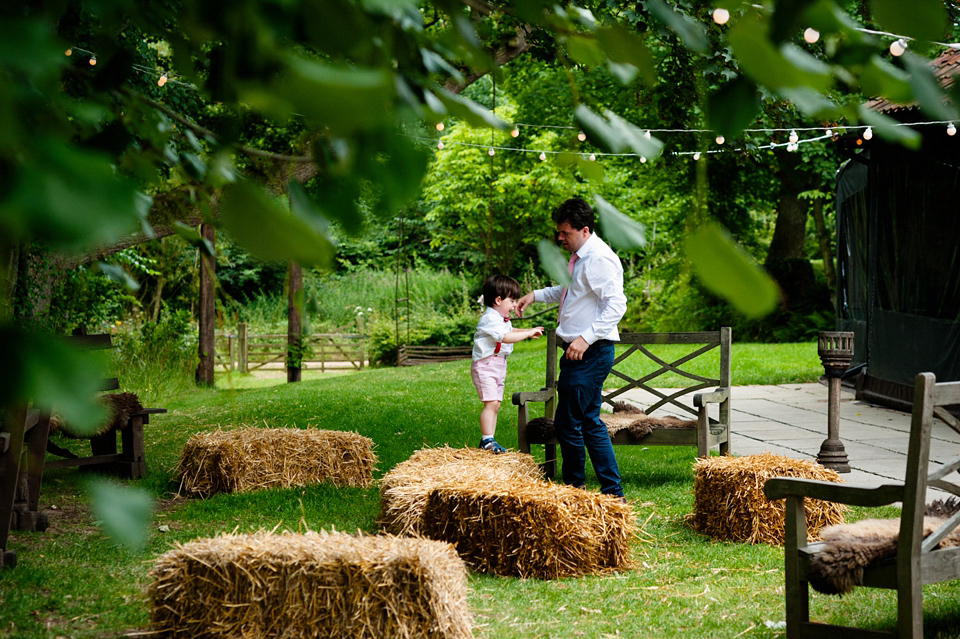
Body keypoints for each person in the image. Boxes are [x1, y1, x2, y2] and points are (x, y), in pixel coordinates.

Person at [517, 197, 627, 497]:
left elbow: (616, 305)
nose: (560, 238)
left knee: (567, 424)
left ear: (584, 230)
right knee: (589, 422)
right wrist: (535, 295)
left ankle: (575, 491)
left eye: (565, 232)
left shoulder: (599, 259)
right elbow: (570, 292)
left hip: (589, 353)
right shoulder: (580, 256)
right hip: (579, 353)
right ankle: (612, 494)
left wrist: (585, 337)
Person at [472, 274, 545, 453]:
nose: (514, 305)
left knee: (495, 404)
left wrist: (529, 330)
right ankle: (486, 440)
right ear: (498, 300)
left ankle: (489, 440)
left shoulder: (501, 320)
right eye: (512, 301)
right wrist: (527, 334)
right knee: (490, 404)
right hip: (486, 366)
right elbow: (505, 337)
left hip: (498, 365)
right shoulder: (489, 319)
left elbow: (511, 330)